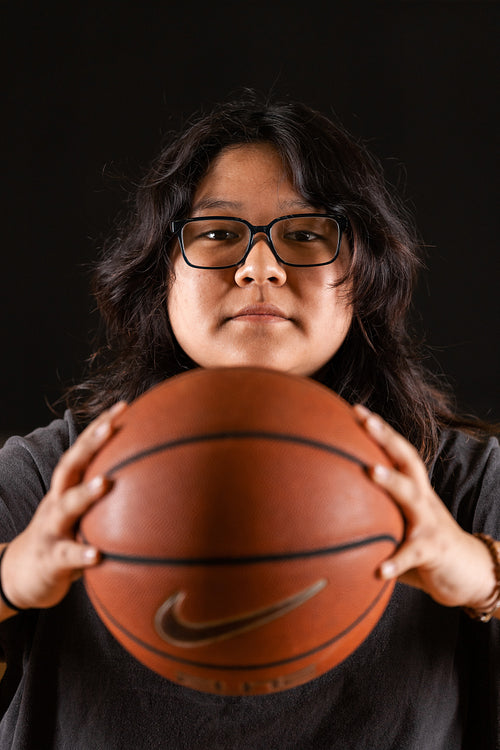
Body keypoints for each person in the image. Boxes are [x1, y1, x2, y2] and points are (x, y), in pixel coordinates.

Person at [0, 91, 498, 750]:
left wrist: (478, 572)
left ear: (363, 274)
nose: (259, 266)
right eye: (216, 233)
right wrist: (10, 580)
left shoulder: (461, 482)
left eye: (305, 234)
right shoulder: (54, 478)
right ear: (161, 275)